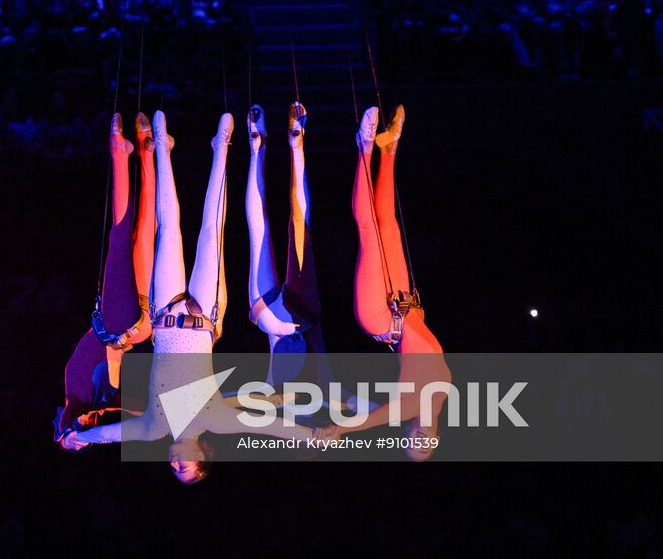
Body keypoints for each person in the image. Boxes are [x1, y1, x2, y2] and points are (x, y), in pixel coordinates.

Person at [64, 112, 331, 482]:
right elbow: (267, 428)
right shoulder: (215, 420)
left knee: (168, 229)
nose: (175, 464)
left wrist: (80, 437)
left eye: (174, 469)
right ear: (204, 454)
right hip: (205, 315)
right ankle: (221, 147)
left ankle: (162, 149)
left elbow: (111, 434)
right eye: (186, 467)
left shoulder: (154, 428)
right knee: (212, 229)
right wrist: (310, 435)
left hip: (164, 314)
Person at [350, 105, 451, 461]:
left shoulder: (410, 407)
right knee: (388, 223)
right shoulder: (440, 396)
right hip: (405, 304)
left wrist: (342, 429)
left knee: (369, 231)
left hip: (380, 318)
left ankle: (363, 145)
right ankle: (389, 147)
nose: (420, 441)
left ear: (407, 434)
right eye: (425, 448)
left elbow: (375, 418)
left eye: (412, 445)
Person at [55, 112, 156, 446]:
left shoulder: (93, 399)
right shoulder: (80, 395)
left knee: (146, 232)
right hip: (119, 321)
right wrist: (71, 435)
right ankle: (123, 151)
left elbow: (72, 423)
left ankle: (146, 151)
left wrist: (73, 433)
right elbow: (68, 422)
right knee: (124, 232)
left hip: (138, 329)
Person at [244, 104, 335, 392]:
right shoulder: (312, 392)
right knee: (284, 227)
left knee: (274, 228)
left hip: (284, 321)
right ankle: (280, 144)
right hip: (285, 315)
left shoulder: (278, 396)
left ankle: (268, 144)